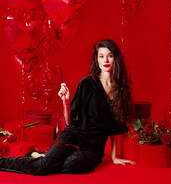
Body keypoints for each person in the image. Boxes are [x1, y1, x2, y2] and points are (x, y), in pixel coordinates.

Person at [0, 39, 135, 175]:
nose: (105, 60)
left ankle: (41, 156)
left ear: (115, 58)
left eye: (109, 55)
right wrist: (65, 102)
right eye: (101, 56)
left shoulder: (121, 89)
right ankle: (4, 162)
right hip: (74, 135)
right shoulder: (87, 83)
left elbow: (116, 127)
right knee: (43, 167)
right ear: (97, 59)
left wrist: (114, 156)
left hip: (93, 148)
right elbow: (70, 121)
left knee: (72, 165)